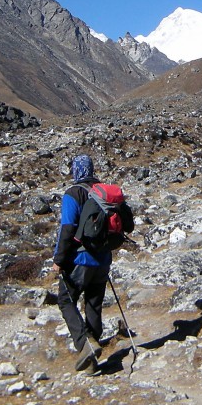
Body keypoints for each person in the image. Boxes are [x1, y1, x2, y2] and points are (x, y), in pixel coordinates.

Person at [53, 154, 134, 373]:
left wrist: (59, 260)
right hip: (103, 259)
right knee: (93, 304)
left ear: (76, 170)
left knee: (65, 299)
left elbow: (68, 228)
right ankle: (91, 363)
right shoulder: (104, 193)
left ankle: (85, 345)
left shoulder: (73, 193)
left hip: (80, 259)